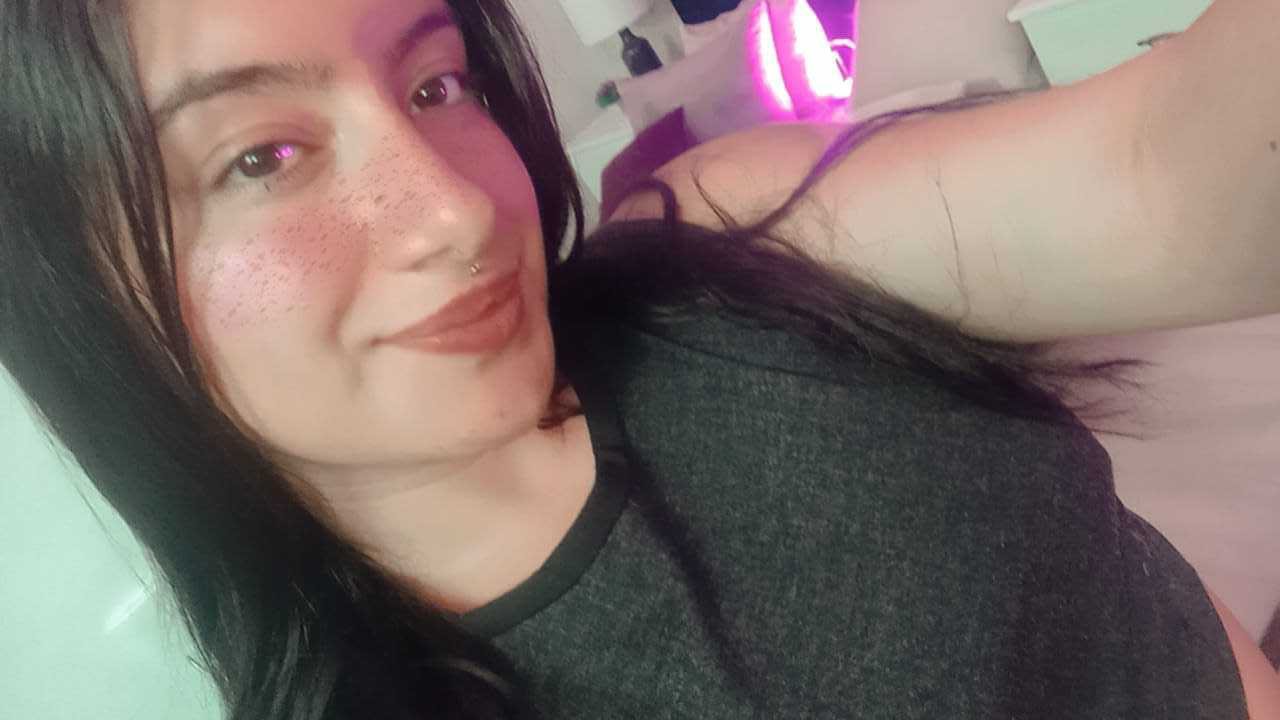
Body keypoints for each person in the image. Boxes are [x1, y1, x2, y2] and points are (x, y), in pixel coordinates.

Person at [1, 0, 1277, 718]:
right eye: (260, 158)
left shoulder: (724, 245)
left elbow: (1161, 181)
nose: (455, 211)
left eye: (437, 86)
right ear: (78, 296)